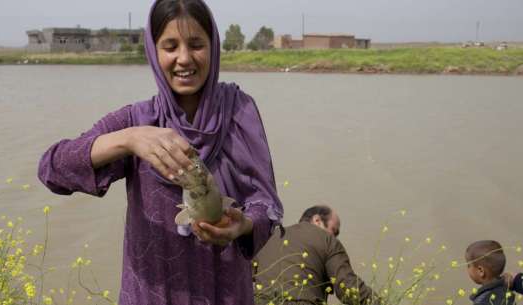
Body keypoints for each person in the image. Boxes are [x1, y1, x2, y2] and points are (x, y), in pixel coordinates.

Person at [37, 0, 283, 304]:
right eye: (170, 46)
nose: (184, 58)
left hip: (227, 294)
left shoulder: (240, 111)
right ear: (154, 52)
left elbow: (265, 203)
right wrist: (127, 140)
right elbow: (51, 168)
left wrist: (241, 225)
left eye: (196, 44)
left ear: (214, 46)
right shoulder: (136, 121)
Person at [253, 205, 377, 305]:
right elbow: (347, 287)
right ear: (317, 220)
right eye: (334, 231)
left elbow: (243, 280)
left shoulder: (268, 238)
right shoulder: (327, 240)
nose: (334, 237)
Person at [465, 240, 515, 305]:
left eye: (469, 265)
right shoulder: (507, 290)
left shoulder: (483, 301)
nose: (467, 268)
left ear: (481, 271)